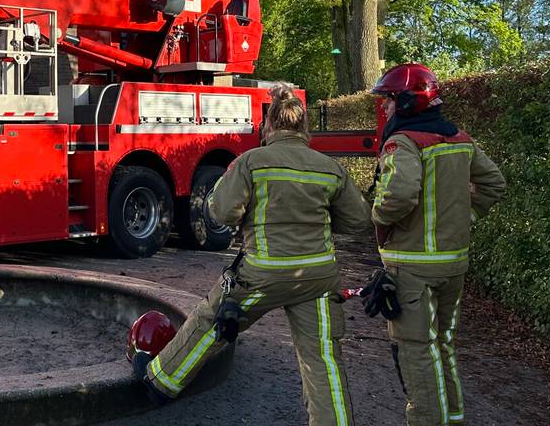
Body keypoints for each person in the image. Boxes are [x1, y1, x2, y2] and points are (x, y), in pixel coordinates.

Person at [139, 83, 370, 425]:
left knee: (210, 320)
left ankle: (161, 382)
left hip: (263, 273)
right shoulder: (329, 167)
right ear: (303, 126)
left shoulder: (251, 162)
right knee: (323, 358)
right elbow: (359, 220)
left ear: (269, 125)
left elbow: (221, 212)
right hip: (319, 278)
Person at [369, 63, 506, 426]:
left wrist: (379, 219)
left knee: (415, 351)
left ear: (410, 102)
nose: (385, 108)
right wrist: (464, 219)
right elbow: (493, 184)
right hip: (453, 264)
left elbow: (397, 195)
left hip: (413, 265)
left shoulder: (405, 142)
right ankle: (453, 417)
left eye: (390, 100)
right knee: (442, 343)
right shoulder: (460, 138)